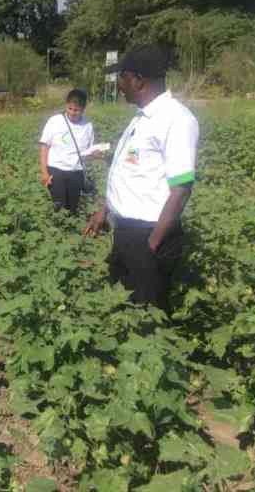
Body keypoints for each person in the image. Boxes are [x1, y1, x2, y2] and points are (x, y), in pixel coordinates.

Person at [84, 45, 199, 312]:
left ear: (138, 80)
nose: (119, 85)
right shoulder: (143, 117)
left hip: (148, 234)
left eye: (121, 78)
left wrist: (151, 246)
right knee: (122, 308)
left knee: (147, 319)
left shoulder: (176, 119)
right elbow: (129, 172)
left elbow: (181, 189)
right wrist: (104, 211)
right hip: (128, 230)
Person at [38, 88, 101, 214]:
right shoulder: (55, 121)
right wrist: (44, 173)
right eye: (70, 109)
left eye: (76, 110)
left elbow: (87, 154)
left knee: (72, 209)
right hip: (56, 170)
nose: (72, 113)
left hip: (76, 172)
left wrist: (94, 155)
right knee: (59, 208)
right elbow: (44, 147)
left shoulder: (87, 125)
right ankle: (57, 232)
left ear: (83, 109)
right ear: (66, 105)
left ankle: (69, 231)